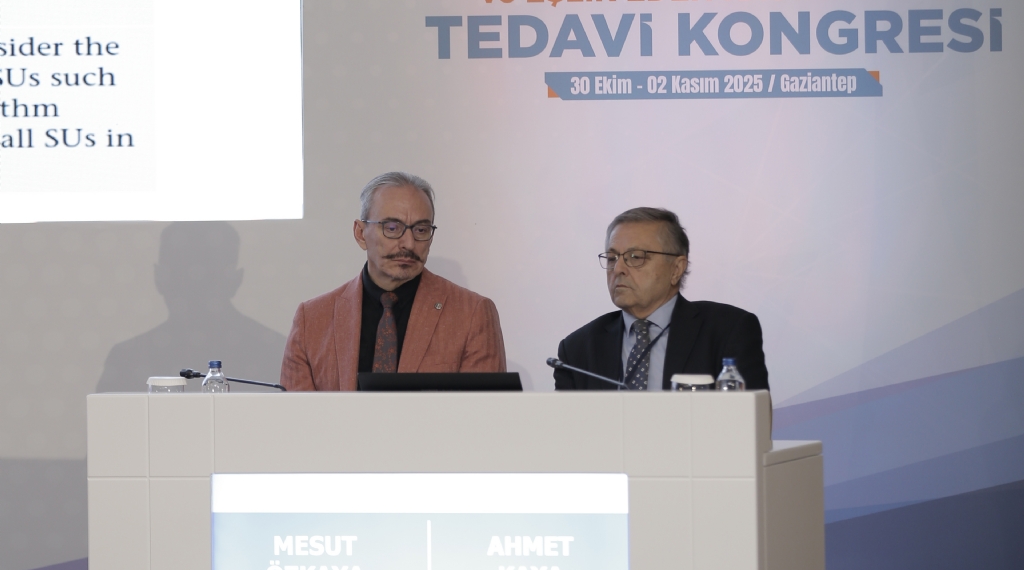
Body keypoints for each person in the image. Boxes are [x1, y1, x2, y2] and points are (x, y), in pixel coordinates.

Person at [281, 171, 506, 390]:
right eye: (392, 228)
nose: (408, 243)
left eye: (421, 230)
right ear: (360, 233)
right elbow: (296, 414)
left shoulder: (472, 314)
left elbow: (483, 411)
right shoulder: (311, 320)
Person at [554, 207, 768, 392]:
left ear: (676, 269)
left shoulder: (727, 331)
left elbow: (752, 419)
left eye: (635, 257)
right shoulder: (577, 350)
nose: (618, 269)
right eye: (612, 258)